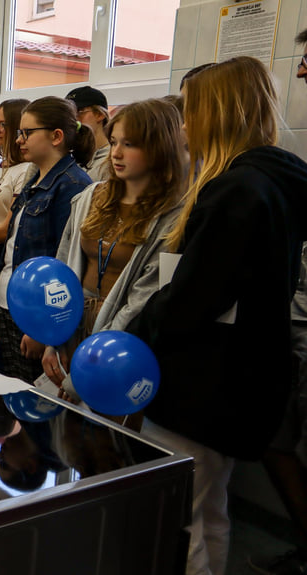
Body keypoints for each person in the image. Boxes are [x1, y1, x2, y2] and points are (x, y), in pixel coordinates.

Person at [126, 56, 307, 575]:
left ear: (217, 113)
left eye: (190, 112)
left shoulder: (236, 190)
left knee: (186, 519)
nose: (183, 125)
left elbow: (192, 298)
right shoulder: (277, 178)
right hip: (244, 373)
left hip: (204, 379)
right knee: (210, 510)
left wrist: (139, 333)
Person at [40, 99, 186, 426]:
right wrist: (53, 337)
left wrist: (90, 367)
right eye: (115, 141)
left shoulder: (175, 214)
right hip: (73, 323)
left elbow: (142, 302)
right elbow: (62, 267)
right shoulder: (92, 196)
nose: (116, 153)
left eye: (130, 144)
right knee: (68, 436)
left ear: (160, 148)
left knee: (109, 439)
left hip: (123, 338)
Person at [246, 32, 307, 575]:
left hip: (296, 327)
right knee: (277, 441)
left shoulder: (258, 178)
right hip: (286, 326)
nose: (303, 72)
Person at [0, 96, 94, 384]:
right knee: (10, 397)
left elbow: (67, 266)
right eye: (19, 132)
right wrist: (0, 308)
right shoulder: (35, 177)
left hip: (36, 316)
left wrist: (44, 330)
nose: (19, 140)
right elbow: (14, 249)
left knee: (32, 406)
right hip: (10, 305)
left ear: (56, 136)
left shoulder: (73, 185)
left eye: (27, 133)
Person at [0, 98, 32, 374]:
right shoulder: (1, 167)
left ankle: (2, 412)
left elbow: (12, 222)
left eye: (4, 124)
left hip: (0, 258)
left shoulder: (26, 169)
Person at [65, 86, 110, 181]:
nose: (73, 119)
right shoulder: (69, 157)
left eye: (79, 112)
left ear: (100, 114)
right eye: (68, 114)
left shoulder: (112, 161)